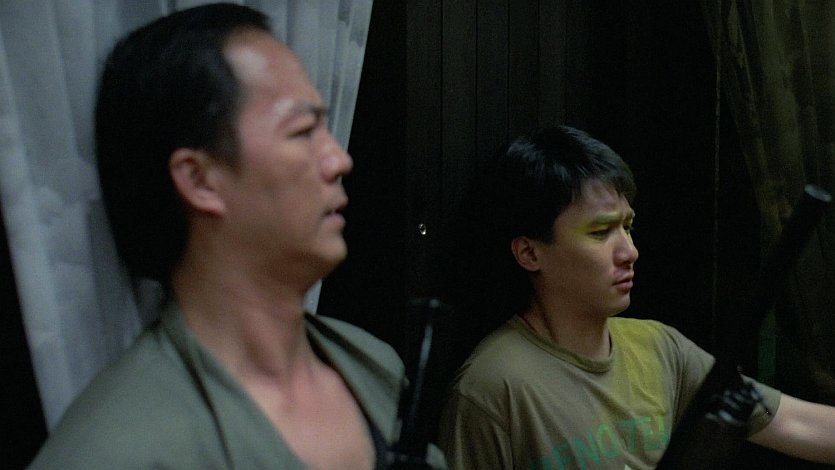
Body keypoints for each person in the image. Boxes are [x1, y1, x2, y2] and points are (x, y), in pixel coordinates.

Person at [29, 4, 444, 469]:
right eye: (302, 131)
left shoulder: (373, 369)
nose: (338, 160)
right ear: (199, 179)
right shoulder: (121, 449)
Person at [437, 125, 835, 469]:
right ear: (529, 253)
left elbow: (796, 423)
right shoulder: (492, 386)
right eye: (600, 232)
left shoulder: (659, 348)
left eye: (627, 227)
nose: (629, 251)